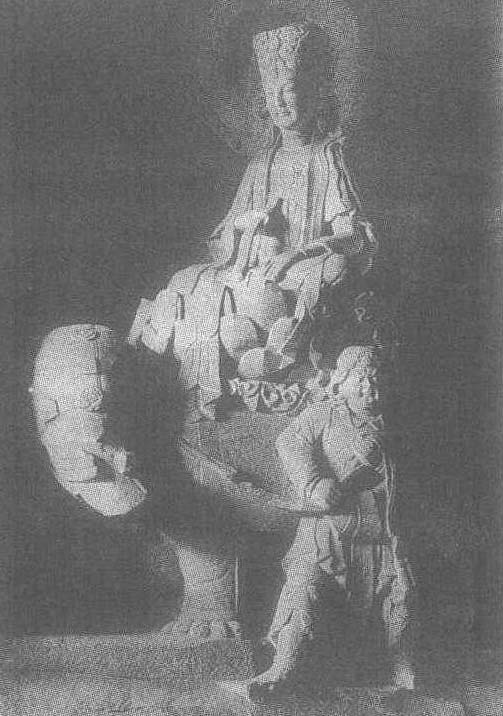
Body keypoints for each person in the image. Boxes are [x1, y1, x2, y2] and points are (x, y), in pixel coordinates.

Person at [137, 23, 377, 419]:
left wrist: (296, 254)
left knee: (333, 267)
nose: (280, 102)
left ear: (315, 92)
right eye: (271, 92)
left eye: (290, 89)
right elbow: (220, 238)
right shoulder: (260, 163)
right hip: (249, 270)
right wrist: (245, 227)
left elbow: (354, 235)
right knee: (187, 279)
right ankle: (211, 364)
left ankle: (279, 356)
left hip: (296, 272)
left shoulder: (327, 157)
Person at [245, 345, 415, 696]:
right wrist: (314, 483)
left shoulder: (396, 423)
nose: (370, 388)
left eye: (377, 380)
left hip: (383, 533)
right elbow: (289, 442)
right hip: (328, 530)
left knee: (401, 592)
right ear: (342, 381)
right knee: (304, 587)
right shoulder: (323, 413)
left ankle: (401, 663)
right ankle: (283, 664)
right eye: (362, 380)